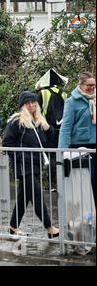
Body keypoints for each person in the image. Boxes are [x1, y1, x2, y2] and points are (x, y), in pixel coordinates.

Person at [3, 91, 59, 238]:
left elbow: (48, 142)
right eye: (28, 103)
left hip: (36, 164)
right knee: (37, 194)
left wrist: (49, 128)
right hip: (23, 166)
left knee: (24, 197)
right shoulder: (16, 121)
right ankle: (49, 228)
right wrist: (21, 157)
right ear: (23, 105)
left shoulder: (39, 120)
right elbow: (7, 142)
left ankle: (12, 226)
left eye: (33, 102)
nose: (31, 105)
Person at [59, 72, 96, 208]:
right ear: (81, 85)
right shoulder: (72, 102)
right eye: (89, 85)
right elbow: (66, 127)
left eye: (94, 85)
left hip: (95, 145)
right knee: (88, 184)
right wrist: (61, 151)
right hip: (81, 148)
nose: (92, 88)